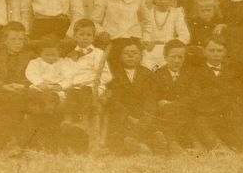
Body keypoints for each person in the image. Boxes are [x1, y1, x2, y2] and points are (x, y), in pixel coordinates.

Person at [91, 0, 153, 72]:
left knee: (135, 70)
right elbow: (94, 22)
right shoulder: (104, 0)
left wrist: (146, 37)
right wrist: (101, 32)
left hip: (133, 42)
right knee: (115, 70)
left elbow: (147, 21)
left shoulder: (138, 0)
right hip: (113, 42)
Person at [62, 19, 112, 152]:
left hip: (92, 87)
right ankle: (68, 120)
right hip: (75, 87)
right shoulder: (71, 55)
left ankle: (84, 121)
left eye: (89, 35)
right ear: (75, 36)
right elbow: (67, 74)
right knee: (72, 93)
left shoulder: (98, 54)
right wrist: (69, 83)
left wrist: (94, 84)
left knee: (84, 91)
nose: (85, 37)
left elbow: (106, 75)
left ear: (93, 37)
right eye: (81, 34)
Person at [103, 38, 159, 155]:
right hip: (124, 115)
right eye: (126, 53)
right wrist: (129, 117)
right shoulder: (114, 75)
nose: (130, 56)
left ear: (140, 56)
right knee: (118, 124)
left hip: (143, 115)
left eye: (134, 53)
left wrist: (145, 117)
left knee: (149, 124)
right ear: (120, 57)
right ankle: (137, 146)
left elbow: (151, 98)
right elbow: (115, 100)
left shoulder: (147, 74)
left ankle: (139, 144)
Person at [188, 36, 242, 151]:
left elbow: (234, 95)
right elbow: (196, 97)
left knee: (233, 115)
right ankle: (218, 146)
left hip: (226, 115)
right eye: (211, 50)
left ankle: (233, 145)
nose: (215, 54)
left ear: (224, 53)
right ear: (204, 52)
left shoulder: (232, 73)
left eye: (219, 51)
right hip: (206, 114)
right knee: (199, 121)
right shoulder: (197, 73)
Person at [0, 22, 34, 150]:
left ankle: (11, 143)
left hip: (21, 91)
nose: (18, 42)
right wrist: (3, 86)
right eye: (13, 39)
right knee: (4, 102)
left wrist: (22, 85)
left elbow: (34, 74)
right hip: (2, 91)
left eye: (21, 39)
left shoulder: (30, 56)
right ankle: (7, 143)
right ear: (5, 40)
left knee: (16, 101)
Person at [24, 36, 71, 151]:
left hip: (55, 90)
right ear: (40, 53)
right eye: (46, 54)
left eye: (54, 54)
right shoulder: (35, 62)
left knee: (54, 100)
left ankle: (50, 140)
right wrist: (40, 84)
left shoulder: (63, 63)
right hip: (40, 88)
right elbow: (31, 74)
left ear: (59, 53)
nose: (50, 58)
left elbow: (69, 78)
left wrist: (60, 86)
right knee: (35, 95)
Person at [153, 40, 194, 154]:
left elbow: (193, 96)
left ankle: (171, 143)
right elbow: (155, 96)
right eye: (173, 57)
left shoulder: (190, 74)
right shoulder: (158, 74)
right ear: (165, 57)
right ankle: (172, 143)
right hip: (164, 114)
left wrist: (173, 104)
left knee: (181, 111)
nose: (177, 61)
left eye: (180, 57)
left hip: (185, 112)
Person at [142, 0, 190, 71]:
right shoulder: (148, 13)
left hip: (170, 50)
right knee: (149, 69)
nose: (162, 1)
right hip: (151, 50)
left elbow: (185, 36)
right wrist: (148, 42)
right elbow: (145, 32)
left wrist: (171, 44)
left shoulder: (176, 13)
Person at [186, 0, 226, 68]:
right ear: (197, 12)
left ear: (215, 10)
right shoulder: (191, 25)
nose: (206, 13)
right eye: (202, 11)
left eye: (208, 10)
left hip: (212, 59)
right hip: (194, 58)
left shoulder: (218, 25)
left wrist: (223, 26)